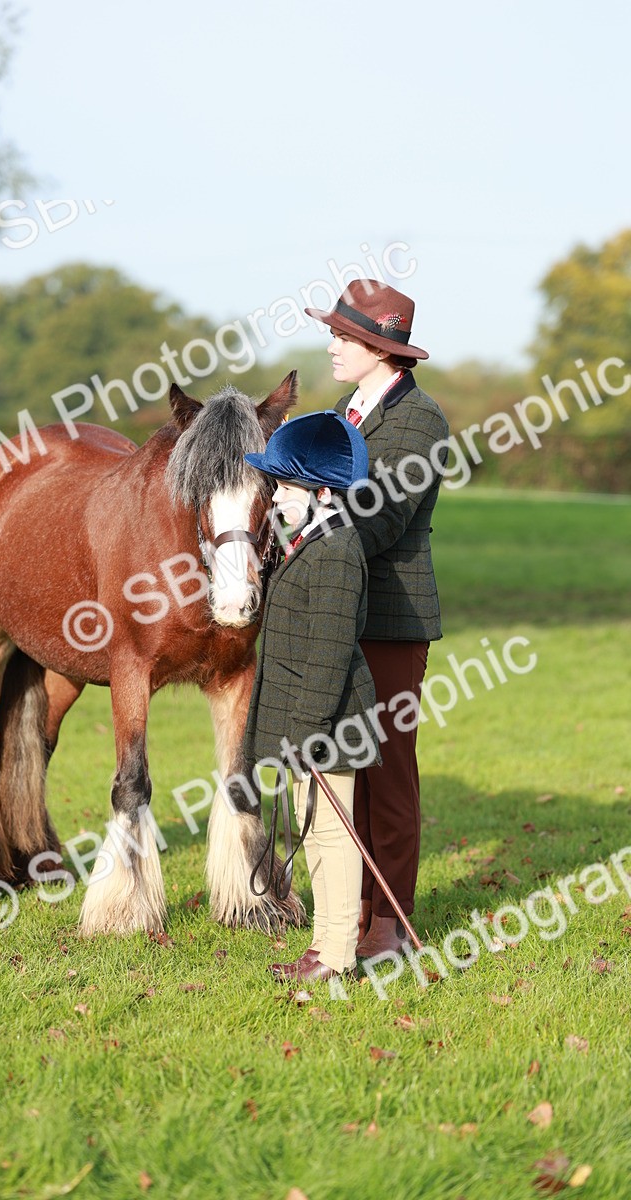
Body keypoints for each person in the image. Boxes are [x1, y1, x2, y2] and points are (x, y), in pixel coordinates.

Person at [304, 278, 448, 961]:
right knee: (340, 765)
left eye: (341, 336)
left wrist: (305, 518)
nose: (332, 345)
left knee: (387, 769)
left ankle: (389, 922)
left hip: (390, 616)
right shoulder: (346, 411)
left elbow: (383, 518)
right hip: (338, 609)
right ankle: (350, 913)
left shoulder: (420, 421)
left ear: (376, 347)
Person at [242, 411, 380, 983]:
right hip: (311, 723)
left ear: (323, 492)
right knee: (314, 826)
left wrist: (304, 734)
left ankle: (337, 953)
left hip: (331, 721)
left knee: (332, 834)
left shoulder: (338, 551)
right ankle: (324, 945)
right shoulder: (307, 541)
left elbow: (328, 651)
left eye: (286, 484)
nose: (275, 494)